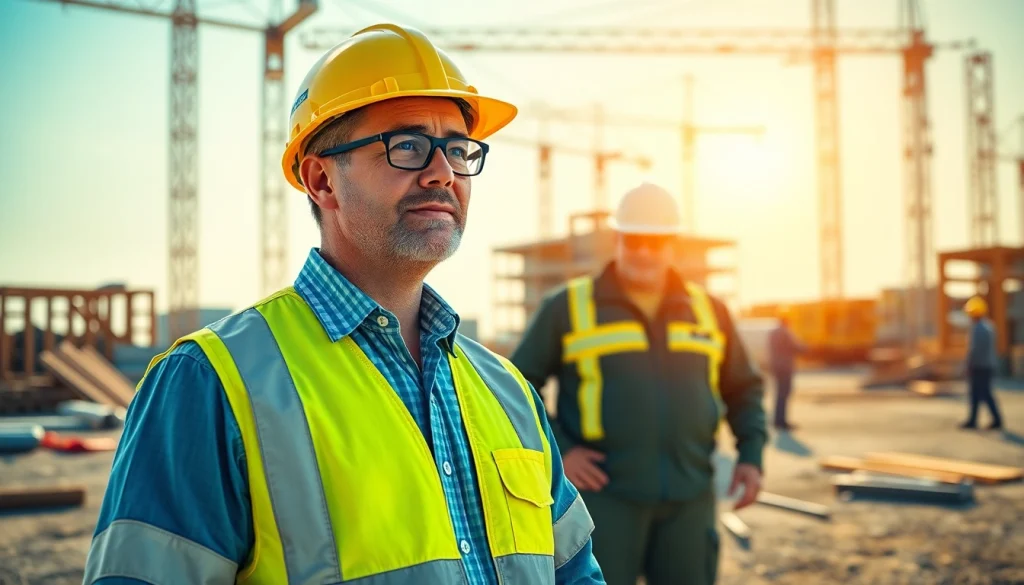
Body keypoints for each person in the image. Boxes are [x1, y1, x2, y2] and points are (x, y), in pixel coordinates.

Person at [82, 23, 604, 585]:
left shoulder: (509, 393)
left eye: (458, 148)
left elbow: (575, 573)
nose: (444, 173)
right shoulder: (209, 383)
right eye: (407, 146)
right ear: (321, 180)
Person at [509, 183, 768, 585]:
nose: (644, 252)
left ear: (673, 245)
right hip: (605, 499)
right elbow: (516, 386)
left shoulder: (709, 311)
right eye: (634, 240)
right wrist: (563, 450)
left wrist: (751, 455)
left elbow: (743, 387)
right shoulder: (568, 307)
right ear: (618, 239)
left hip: (690, 497)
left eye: (655, 241)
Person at [960, 296, 1003, 430]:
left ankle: (980, 421)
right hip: (988, 365)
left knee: (979, 393)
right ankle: (989, 420)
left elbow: (974, 350)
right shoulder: (989, 326)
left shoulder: (977, 329)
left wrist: (969, 365)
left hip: (979, 366)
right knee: (983, 393)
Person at [767, 310, 807, 430]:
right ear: (787, 321)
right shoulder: (785, 332)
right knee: (784, 394)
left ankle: (777, 420)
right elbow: (796, 346)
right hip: (785, 366)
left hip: (775, 366)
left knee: (779, 393)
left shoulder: (773, 332)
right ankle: (781, 421)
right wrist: (806, 348)